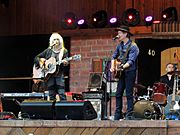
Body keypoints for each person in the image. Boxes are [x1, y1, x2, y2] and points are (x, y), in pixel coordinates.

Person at [110, 25, 139, 120]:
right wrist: (112, 67)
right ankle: (118, 114)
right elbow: (113, 57)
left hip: (130, 72)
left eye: (119, 33)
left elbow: (131, 61)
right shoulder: (120, 45)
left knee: (129, 94)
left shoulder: (133, 46)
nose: (118, 35)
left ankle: (129, 114)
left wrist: (122, 67)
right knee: (118, 93)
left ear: (125, 34)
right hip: (121, 72)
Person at [33, 32, 68, 101]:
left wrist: (65, 62)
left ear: (60, 41)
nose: (56, 41)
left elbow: (66, 63)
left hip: (59, 75)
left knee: (61, 94)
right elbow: (36, 58)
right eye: (54, 40)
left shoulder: (64, 51)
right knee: (51, 95)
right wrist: (41, 62)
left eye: (58, 39)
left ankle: (64, 110)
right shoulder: (48, 51)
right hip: (49, 75)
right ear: (52, 41)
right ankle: (52, 110)